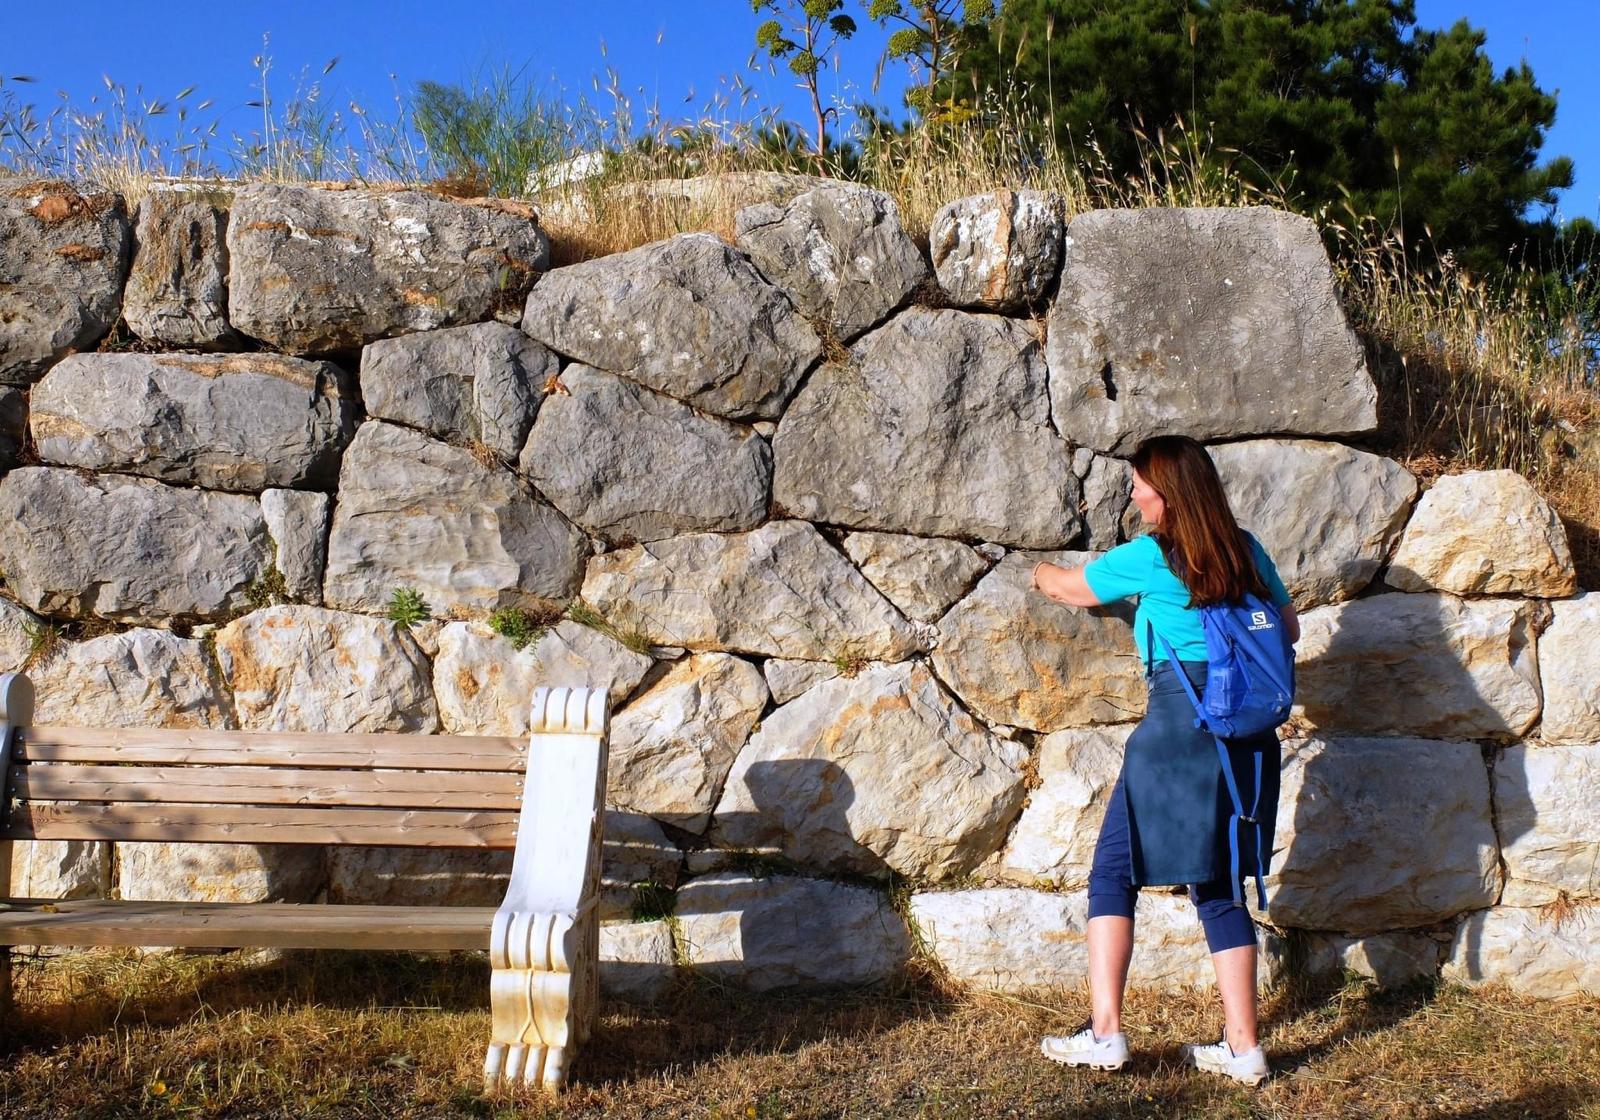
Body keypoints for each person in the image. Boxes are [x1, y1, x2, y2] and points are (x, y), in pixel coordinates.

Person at [1027, 434, 1298, 1087]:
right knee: (1219, 884)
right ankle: (1243, 1047)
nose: (1132, 493)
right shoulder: (1246, 549)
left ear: (1167, 493)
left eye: (1139, 484)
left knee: (1113, 872)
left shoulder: (1151, 557)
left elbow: (1067, 589)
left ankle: (1105, 1032)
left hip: (1179, 726)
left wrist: (1033, 571)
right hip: (1243, 734)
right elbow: (1288, 630)